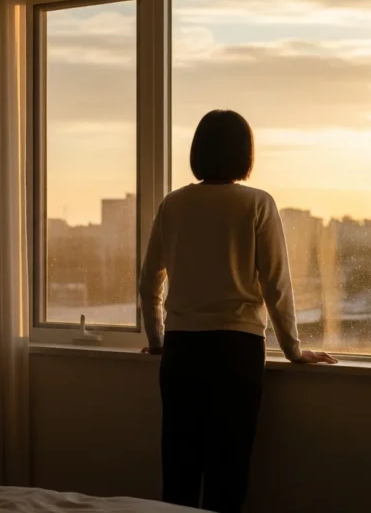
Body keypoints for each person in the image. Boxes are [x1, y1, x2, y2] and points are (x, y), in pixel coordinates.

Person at [138, 109, 338, 513]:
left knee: (178, 470)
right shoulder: (257, 204)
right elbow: (276, 284)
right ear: (245, 154)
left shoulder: (173, 204)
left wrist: (158, 341)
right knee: (228, 473)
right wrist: (293, 350)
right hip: (236, 351)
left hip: (181, 351)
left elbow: (149, 281)